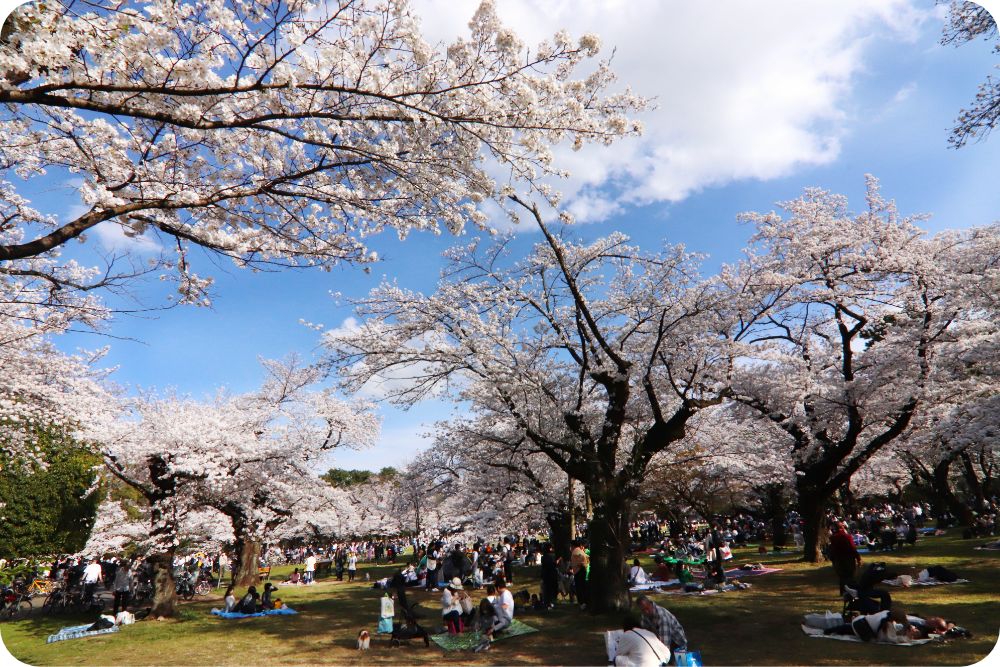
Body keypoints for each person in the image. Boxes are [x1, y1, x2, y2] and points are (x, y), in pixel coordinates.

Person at [823, 606, 916, 643]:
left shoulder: (887, 613)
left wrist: (907, 626)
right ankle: (829, 630)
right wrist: (906, 638)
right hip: (861, 625)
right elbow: (889, 638)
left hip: (861, 620)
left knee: (847, 629)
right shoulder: (886, 623)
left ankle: (830, 630)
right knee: (872, 641)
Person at [829, 522, 862, 593]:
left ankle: (843, 591)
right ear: (842, 527)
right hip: (848, 558)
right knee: (850, 576)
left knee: (842, 576)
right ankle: (851, 591)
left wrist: (832, 559)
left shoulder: (832, 537)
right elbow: (853, 548)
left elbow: (832, 549)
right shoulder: (847, 536)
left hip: (837, 559)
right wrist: (858, 558)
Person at [570, 541, 589, 609]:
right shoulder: (580, 551)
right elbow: (585, 557)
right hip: (581, 570)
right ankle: (584, 602)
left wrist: (580, 564)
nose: (570, 547)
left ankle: (582, 603)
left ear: (573, 545)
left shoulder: (576, 551)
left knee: (580, 587)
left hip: (579, 571)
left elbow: (582, 558)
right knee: (582, 586)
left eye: (571, 545)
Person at [540, 544, 560, 608]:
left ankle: (547, 602)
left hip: (545, 575)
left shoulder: (543, 557)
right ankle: (551, 602)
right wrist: (557, 561)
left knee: (547, 590)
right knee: (552, 589)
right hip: (551, 575)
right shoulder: (552, 556)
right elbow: (552, 565)